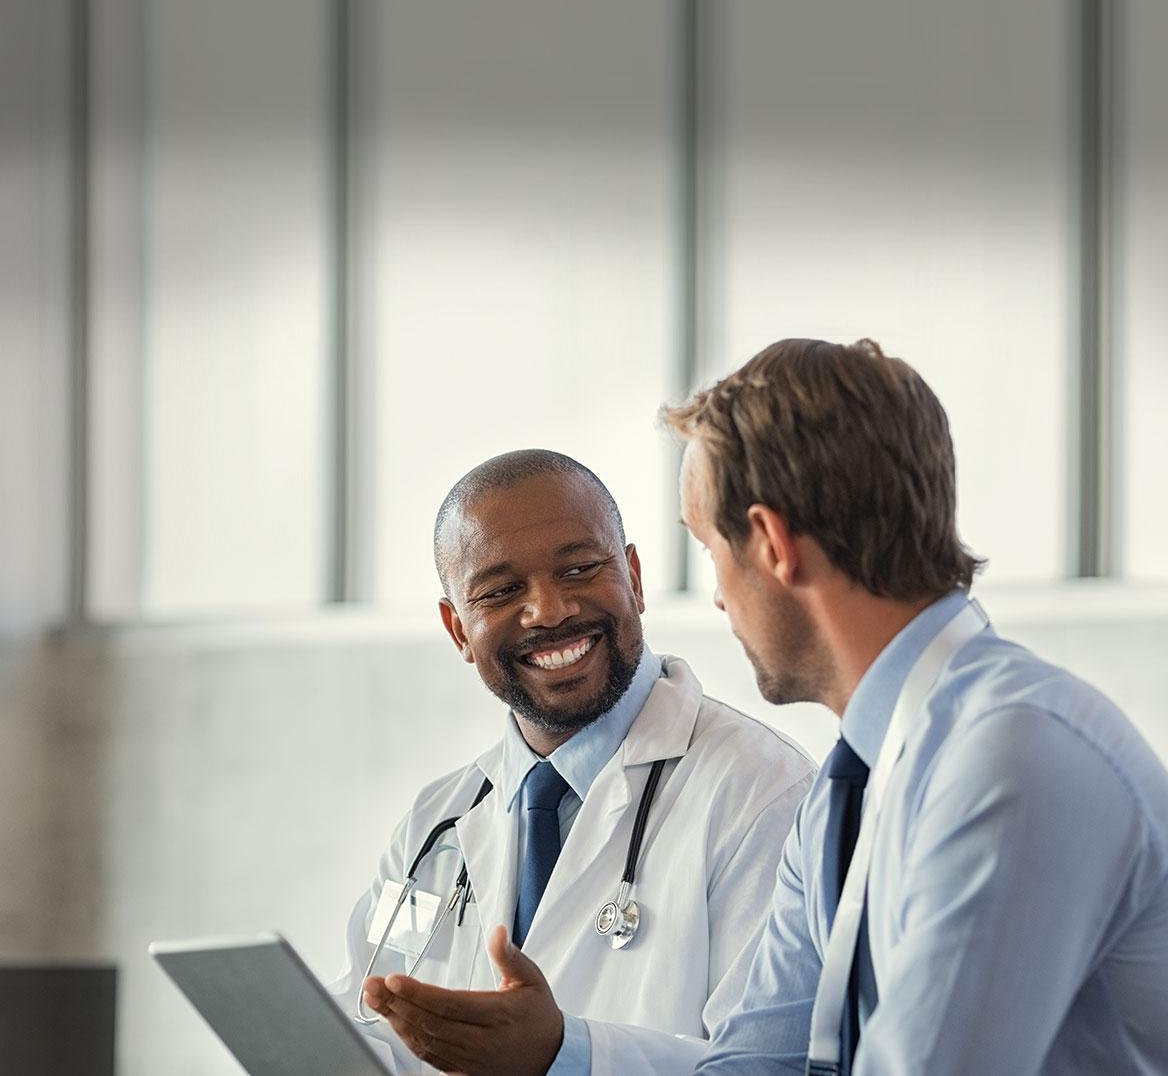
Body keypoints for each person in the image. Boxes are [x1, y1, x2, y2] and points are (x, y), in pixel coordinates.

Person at [662, 337, 1168, 1076]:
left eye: (710, 546)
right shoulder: (843, 797)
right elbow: (754, 1065)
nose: (715, 593)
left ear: (772, 542)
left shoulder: (1015, 759)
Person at [331, 448, 814, 1076]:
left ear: (634, 578)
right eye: (502, 590)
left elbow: (775, 1067)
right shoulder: (437, 826)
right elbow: (370, 1018)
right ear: (458, 630)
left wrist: (567, 1057)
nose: (549, 610)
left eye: (581, 568)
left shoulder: (762, 793)